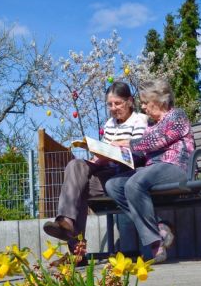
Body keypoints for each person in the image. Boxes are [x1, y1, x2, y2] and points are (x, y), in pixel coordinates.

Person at [43, 82, 147, 253]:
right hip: (108, 170)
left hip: (128, 173)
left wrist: (116, 146)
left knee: (81, 187)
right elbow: (105, 154)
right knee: (75, 166)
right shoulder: (109, 124)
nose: (113, 108)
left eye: (118, 103)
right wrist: (96, 156)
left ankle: (75, 245)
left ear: (129, 101)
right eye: (109, 104)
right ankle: (67, 222)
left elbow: (139, 148)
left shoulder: (140, 120)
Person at [105, 78, 194, 263]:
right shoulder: (151, 125)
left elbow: (154, 141)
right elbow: (143, 147)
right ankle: (160, 227)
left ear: (159, 100)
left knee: (135, 183)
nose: (143, 107)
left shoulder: (177, 116)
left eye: (146, 103)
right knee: (113, 185)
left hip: (177, 167)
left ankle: (155, 246)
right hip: (153, 170)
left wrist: (124, 143)